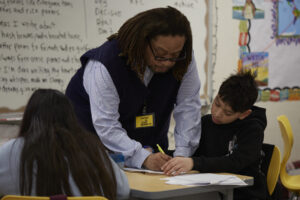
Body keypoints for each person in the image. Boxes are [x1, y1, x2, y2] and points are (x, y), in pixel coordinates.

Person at [65, 6, 202, 170]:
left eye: (174, 56)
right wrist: (143, 158)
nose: (167, 62)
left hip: (150, 149)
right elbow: (106, 126)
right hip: (92, 155)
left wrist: (181, 157)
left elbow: (188, 107)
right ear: (142, 41)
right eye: (160, 53)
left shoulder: (183, 59)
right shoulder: (104, 65)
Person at [0, 89, 129, 200]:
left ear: (29, 118)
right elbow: (123, 191)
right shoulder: (92, 149)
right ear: (71, 118)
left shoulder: (9, 152)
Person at [162, 72, 267, 200]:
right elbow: (194, 152)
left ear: (244, 114)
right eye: (217, 103)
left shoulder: (252, 130)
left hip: (244, 194)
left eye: (227, 113)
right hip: (213, 190)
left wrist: (193, 163)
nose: (217, 114)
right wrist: (167, 157)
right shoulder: (207, 122)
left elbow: (235, 162)